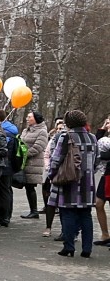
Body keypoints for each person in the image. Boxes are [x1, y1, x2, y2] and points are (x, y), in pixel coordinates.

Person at [47, 110, 99, 258]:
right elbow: (97, 160)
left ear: (68, 123)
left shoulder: (65, 137)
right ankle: (87, 249)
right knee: (86, 215)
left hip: (68, 180)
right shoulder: (92, 137)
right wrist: (89, 171)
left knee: (68, 213)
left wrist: (52, 175)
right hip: (87, 182)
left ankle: (69, 247)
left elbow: (56, 159)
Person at [20, 110, 49, 219]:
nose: (27, 119)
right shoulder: (25, 130)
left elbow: (39, 147)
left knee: (30, 186)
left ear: (36, 118)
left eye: (29, 117)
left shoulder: (42, 131)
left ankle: (34, 210)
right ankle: (33, 210)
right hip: (25, 162)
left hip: (34, 163)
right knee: (28, 187)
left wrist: (25, 154)